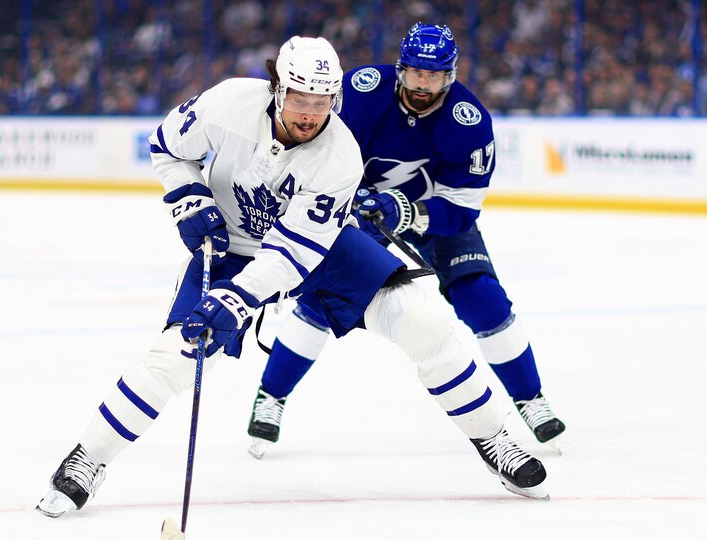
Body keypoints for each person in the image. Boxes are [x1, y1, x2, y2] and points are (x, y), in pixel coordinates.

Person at [36, 35, 549, 519]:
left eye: (323, 100)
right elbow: (167, 148)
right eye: (299, 97)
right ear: (276, 87)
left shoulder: (340, 157)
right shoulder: (227, 104)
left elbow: (290, 257)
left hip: (317, 247)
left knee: (424, 319)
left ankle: (492, 437)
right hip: (232, 247)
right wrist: (186, 196)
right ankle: (88, 458)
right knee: (178, 354)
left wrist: (237, 301)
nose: (309, 113)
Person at [247, 23, 566, 460]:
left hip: (433, 219)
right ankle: (272, 395)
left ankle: (530, 399)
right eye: (416, 73)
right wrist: (351, 201)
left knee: (483, 300)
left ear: (449, 75)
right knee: (320, 302)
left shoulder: (468, 120)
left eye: (433, 76)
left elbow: (461, 207)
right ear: (402, 69)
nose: (423, 84)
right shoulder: (362, 92)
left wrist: (410, 211)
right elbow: (319, 154)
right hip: (354, 214)